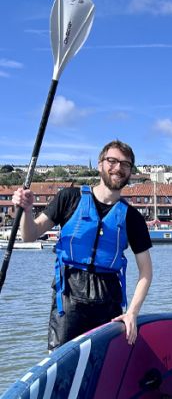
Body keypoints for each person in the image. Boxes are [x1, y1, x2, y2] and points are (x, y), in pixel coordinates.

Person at [12, 140, 153, 350]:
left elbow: (146, 272)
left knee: (103, 368)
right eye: (112, 161)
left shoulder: (132, 218)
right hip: (69, 293)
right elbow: (30, 235)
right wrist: (25, 209)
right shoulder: (68, 198)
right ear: (99, 164)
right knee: (61, 366)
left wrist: (132, 312)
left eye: (125, 164)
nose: (118, 168)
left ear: (130, 172)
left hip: (108, 298)